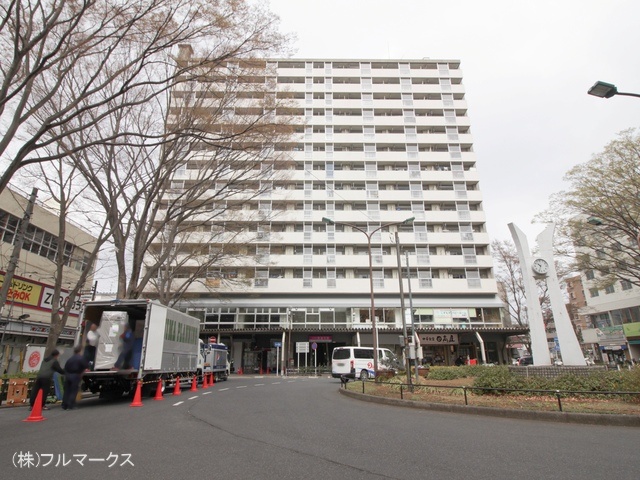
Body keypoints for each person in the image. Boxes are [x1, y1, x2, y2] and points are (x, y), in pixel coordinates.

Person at [62, 345, 89, 410]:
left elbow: (65, 368)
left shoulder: (70, 359)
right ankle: (70, 405)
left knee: (67, 390)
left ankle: (64, 405)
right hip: (76, 375)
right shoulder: (81, 358)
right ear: (80, 351)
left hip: (68, 375)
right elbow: (86, 366)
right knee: (73, 390)